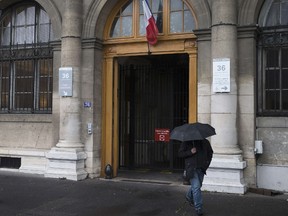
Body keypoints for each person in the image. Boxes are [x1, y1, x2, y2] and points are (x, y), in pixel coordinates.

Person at [178, 138, 213, 216]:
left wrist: (206, 164)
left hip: (201, 168)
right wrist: (190, 152)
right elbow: (180, 154)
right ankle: (198, 208)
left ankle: (189, 196)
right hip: (191, 169)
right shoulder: (187, 142)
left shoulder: (205, 142)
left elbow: (210, 153)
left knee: (197, 186)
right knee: (196, 187)